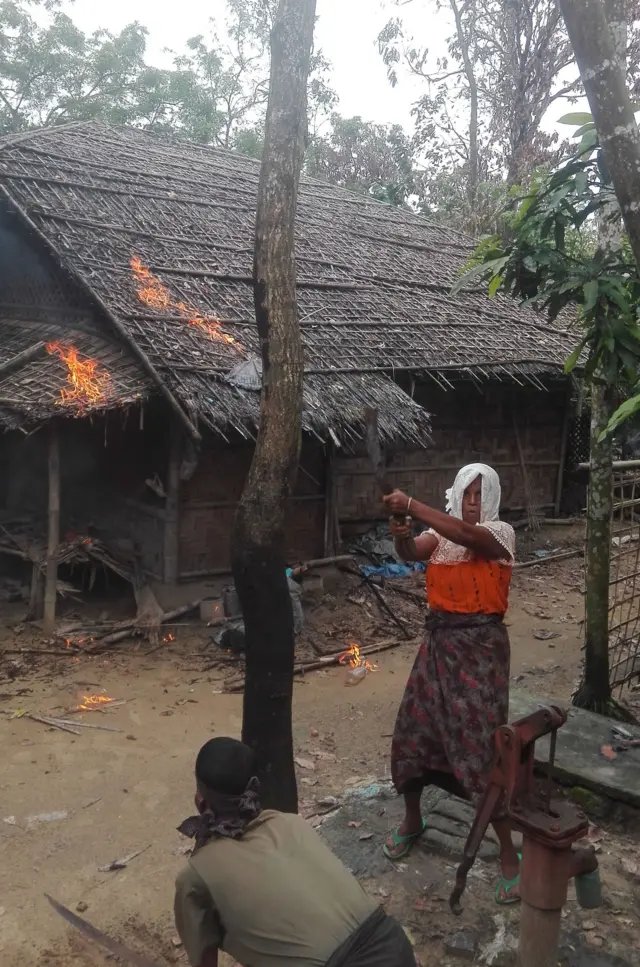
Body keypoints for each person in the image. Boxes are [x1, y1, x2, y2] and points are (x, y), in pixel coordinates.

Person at [381, 464, 520, 905]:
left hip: (480, 655)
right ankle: (412, 820)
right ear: (458, 495)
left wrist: (413, 505)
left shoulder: (499, 534)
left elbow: (469, 538)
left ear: (492, 498)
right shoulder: (441, 537)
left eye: (482, 494)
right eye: (468, 493)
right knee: (415, 731)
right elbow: (411, 553)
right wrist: (402, 532)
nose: (475, 501)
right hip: (438, 648)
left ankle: (509, 856)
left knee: (482, 748)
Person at [174, 736, 417, 967]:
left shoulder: (197, 875)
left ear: (201, 801)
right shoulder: (290, 823)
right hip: (394, 945)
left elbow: (205, 959)